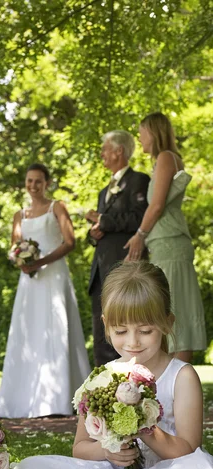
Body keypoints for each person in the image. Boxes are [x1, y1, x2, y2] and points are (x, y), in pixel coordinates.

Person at [0, 261, 213, 469]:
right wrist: (107, 452)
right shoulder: (102, 378)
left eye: (145, 330)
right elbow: (80, 447)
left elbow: (188, 452)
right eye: (121, 331)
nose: (133, 342)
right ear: (106, 325)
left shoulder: (182, 376)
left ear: (168, 323)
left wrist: (143, 427)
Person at [0, 163, 90, 418]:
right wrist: (23, 261)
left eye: (38, 181)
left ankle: (59, 400)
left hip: (54, 276)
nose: (33, 185)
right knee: (29, 333)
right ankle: (23, 401)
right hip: (30, 281)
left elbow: (69, 242)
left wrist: (41, 261)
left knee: (56, 328)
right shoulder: (20, 215)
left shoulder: (56, 207)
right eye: (29, 181)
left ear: (46, 183)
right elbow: (16, 247)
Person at [124, 112, 206, 362]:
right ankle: (167, 390)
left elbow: (157, 205)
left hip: (171, 244)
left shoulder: (166, 158)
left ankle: (181, 388)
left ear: (154, 132)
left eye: (142, 132)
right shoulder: (160, 160)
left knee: (175, 310)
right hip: (162, 245)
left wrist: (139, 235)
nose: (139, 138)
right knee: (164, 310)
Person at [86, 131, 150, 366]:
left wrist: (104, 221)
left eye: (105, 148)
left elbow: (140, 218)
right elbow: (104, 226)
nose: (102, 153)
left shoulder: (139, 181)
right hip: (100, 272)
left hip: (125, 267)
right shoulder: (104, 191)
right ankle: (102, 392)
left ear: (119, 151)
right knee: (102, 334)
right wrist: (93, 232)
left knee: (128, 330)